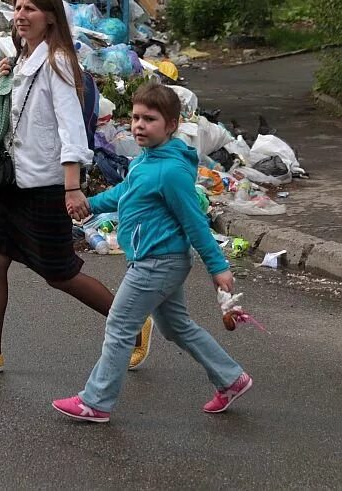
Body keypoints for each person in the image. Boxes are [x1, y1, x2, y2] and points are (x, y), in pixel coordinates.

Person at [0, 0, 152, 374]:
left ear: (50, 17)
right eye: (19, 8)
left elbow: (71, 129)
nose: (21, 16)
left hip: (45, 185)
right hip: (13, 183)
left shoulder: (57, 63)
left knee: (60, 273)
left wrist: (72, 187)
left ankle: (133, 322)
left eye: (31, 9)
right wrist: (8, 76)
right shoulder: (24, 59)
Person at [52, 83, 251, 423]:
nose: (139, 125)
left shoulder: (170, 171)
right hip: (157, 259)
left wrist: (218, 267)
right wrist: (85, 205)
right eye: (135, 117)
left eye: (150, 119)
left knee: (119, 325)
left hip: (158, 262)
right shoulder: (146, 160)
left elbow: (195, 222)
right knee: (176, 327)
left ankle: (96, 401)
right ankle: (231, 378)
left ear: (171, 125)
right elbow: (126, 195)